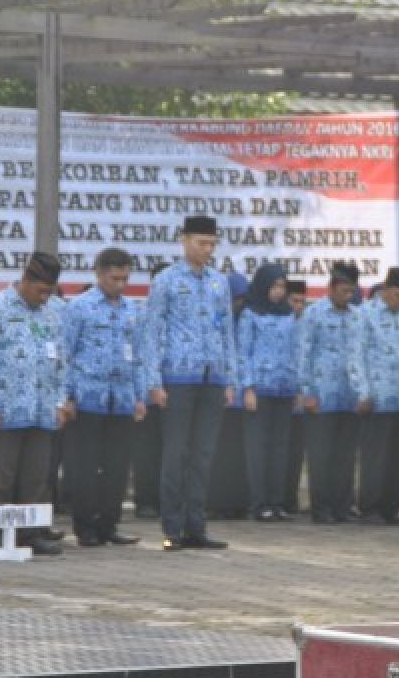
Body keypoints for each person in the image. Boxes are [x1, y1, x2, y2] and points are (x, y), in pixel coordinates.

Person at [144, 216, 237, 552]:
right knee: (175, 454)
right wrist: (154, 381)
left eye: (212, 243)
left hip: (212, 378)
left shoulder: (219, 282)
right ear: (184, 241)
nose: (207, 249)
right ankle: (173, 527)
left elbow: (226, 332)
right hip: (177, 378)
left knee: (203, 454)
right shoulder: (167, 280)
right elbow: (152, 332)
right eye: (201, 243)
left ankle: (197, 526)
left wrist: (230, 379)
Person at [0, 252, 70, 556]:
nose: (45, 298)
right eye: (41, 290)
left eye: (49, 292)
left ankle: (32, 535)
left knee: (36, 476)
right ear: (26, 280)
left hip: (42, 410)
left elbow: (61, 362)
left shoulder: (54, 312)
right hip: (4, 409)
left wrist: (60, 401)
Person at [62, 247, 146, 547]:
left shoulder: (132, 310)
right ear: (99, 274)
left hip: (121, 398)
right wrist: (67, 396)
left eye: (125, 279)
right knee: (85, 466)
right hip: (88, 396)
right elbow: (66, 355)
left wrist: (139, 396)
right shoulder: (79, 308)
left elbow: (138, 357)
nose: (120, 285)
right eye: (114, 278)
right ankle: (85, 528)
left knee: (117, 467)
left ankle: (109, 524)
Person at [351, 267, 399, 525]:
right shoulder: (365, 314)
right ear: (386, 289)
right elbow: (356, 355)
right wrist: (363, 391)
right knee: (375, 455)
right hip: (378, 397)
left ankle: (393, 507)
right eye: (398, 295)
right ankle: (370, 508)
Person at [298, 262, 361, 524]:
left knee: (345, 456)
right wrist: (306, 392)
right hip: (321, 396)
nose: (349, 296)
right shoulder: (314, 314)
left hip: (349, 396)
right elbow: (303, 354)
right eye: (345, 291)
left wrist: (363, 391)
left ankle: (342, 507)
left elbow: (361, 355)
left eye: (352, 291)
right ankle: (321, 508)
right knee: (321, 455)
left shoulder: (357, 316)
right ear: (332, 288)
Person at [238, 264, 298, 522]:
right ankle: (258, 502)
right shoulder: (250, 314)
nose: (278, 292)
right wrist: (248, 387)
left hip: (284, 387)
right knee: (258, 447)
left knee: (280, 447)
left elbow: (295, 350)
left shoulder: (288, 314)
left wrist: (296, 386)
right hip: (259, 388)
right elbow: (243, 353)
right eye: (274, 286)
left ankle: (276, 502)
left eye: (282, 286)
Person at [206, 271, 251, 520]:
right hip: (218, 391)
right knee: (217, 451)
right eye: (235, 297)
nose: (239, 303)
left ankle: (237, 502)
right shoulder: (216, 319)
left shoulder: (248, 320)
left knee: (239, 452)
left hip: (242, 395)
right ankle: (216, 502)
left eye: (243, 297)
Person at [131, 261, 168, 520]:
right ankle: (145, 501)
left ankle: (169, 500)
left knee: (173, 449)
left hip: (175, 390)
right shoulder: (139, 314)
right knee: (146, 450)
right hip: (146, 391)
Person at [282, 279, 309, 514]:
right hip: (280, 394)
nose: (298, 306)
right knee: (279, 449)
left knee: (295, 453)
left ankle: (290, 499)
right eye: (294, 300)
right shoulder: (279, 322)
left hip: (301, 398)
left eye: (302, 301)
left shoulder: (308, 324)